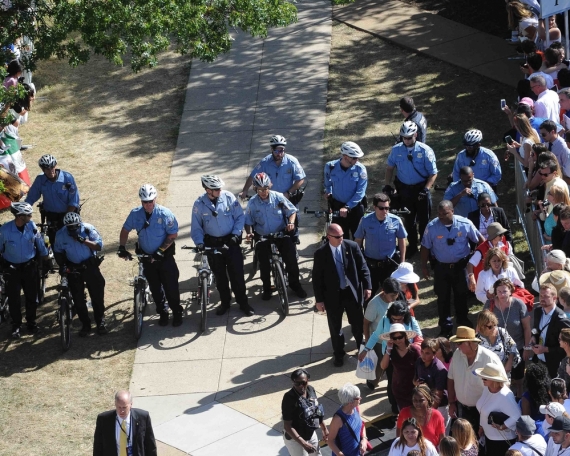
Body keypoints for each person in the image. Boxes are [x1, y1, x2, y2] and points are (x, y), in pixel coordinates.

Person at [118, 184, 184, 327]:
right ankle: (163, 313)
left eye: (150, 201)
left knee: (171, 287)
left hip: (164, 258)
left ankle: (177, 313)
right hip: (147, 259)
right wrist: (122, 248)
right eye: (144, 202)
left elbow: (173, 233)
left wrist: (160, 251)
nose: (148, 205)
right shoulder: (135, 214)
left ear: (155, 199)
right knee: (155, 289)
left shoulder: (165, 214)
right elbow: (125, 230)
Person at [191, 175, 254, 316]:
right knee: (220, 278)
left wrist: (236, 234)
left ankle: (243, 303)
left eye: (220, 188)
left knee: (237, 276)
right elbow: (196, 227)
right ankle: (225, 303)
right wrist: (199, 243)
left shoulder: (229, 197)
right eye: (216, 189)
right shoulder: (199, 204)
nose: (220, 190)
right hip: (213, 245)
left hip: (230, 242)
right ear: (208, 190)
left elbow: (239, 217)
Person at [421, 200, 485, 336]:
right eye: (439, 214)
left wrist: (480, 259)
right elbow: (425, 246)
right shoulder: (432, 227)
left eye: (444, 213)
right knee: (442, 296)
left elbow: (480, 240)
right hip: (441, 268)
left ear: (452, 211)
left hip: (461, 266)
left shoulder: (465, 224)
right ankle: (445, 326)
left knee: (461, 294)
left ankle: (462, 320)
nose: (441, 216)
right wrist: (424, 266)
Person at [313, 223, 371, 367]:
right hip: (333, 296)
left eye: (342, 235)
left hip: (351, 292)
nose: (341, 239)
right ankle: (339, 353)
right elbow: (317, 278)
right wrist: (319, 300)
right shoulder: (321, 254)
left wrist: (367, 286)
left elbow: (363, 267)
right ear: (329, 237)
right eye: (338, 237)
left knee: (357, 323)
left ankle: (361, 348)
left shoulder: (351, 247)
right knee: (335, 327)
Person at [244, 172, 306, 301]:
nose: (263, 192)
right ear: (255, 188)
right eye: (260, 189)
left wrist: (291, 223)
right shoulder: (252, 203)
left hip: (281, 234)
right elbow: (248, 221)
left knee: (291, 261)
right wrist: (249, 233)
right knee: (264, 266)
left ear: (269, 187)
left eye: (266, 188)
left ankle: (295, 286)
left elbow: (292, 211)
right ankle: (267, 288)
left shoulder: (278, 197)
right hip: (263, 237)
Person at [384, 121, 438, 256]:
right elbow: (390, 168)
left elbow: (433, 173)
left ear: (416, 135)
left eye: (409, 137)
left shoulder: (425, 150)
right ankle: (412, 245)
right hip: (404, 190)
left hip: (421, 189)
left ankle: (426, 246)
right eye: (404, 137)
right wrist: (387, 184)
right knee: (409, 220)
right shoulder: (396, 150)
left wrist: (426, 189)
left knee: (424, 220)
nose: (406, 140)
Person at [53, 212, 107, 336]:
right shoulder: (61, 234)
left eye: (75, 226)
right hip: (74, 268)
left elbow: (99, 246)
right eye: (70, 227)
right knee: (78, 299)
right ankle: (85, 324)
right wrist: (63, 266)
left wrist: (83, 240)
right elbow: (58, 252)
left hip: (89, 266)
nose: (73, 229)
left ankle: (100, 322)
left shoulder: (88, 229)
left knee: (97, 295)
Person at [363, 300, 422, 412]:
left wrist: (413, 348)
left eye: (399, 319)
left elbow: (419, 338)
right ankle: (395, 409)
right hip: (390, 356)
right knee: (393, 382)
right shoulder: (385, 320)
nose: (396, 321)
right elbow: (376, 335)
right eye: (394, 318)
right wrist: (366, 349)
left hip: (409, 357)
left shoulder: (412, 321)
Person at [0, 202, 48, 339]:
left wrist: (45, 259)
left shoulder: (32, 227)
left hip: (29, 267)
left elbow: (39, 243)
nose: (31, 216)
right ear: (20, 216)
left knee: (32, 297)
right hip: (12, 269)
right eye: (28, 215)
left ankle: (31, 323)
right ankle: (16, 325)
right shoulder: (5, 230)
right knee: (14, 299)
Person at [447, 326, 508, 433]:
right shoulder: (457, 354)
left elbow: (503, 386)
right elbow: (451, 378)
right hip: (462, 409)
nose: (457, 346)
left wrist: (490, 414)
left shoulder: (489, 358)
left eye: (460, 343)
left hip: (484, 411)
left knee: (483, 443)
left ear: (470, 343)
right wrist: (451, 403)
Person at [482, 278, 531, 397]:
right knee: (499, 377)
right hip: (497, 348)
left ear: (510, 291)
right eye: (499, 292)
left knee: (518, 378)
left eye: (505, 291)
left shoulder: (518, 304)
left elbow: (526, 328)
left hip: (517, 346)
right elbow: (482, 324)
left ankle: (519, 397)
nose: (502, 294)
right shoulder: (490, 304)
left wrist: (526, 348)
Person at [354, 192, 407, 296]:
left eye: (387, 208)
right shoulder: (365, 220)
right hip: (370, 266)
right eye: (381, 208)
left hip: (389, 266)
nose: (385, 211)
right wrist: (357, 260)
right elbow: (358, 240)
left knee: (392, 295)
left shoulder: (396, 220)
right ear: (374, 207)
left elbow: (402, 240)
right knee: (367, 296)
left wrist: (402, 261)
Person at [26, 154, 80, 246]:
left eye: (52, 167)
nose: (50, 170)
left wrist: (66, 218)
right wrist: (24, 210)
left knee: (72, 240)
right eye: (47, 169)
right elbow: (31, 197)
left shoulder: (67, 178)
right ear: (42, 169)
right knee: (53, 241)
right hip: (52, 216)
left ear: (55, 166)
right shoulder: (40, 180)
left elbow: (74, 201)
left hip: (68, 214)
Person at [239, 135, 306, 201]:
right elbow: (252, 176)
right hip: (271, 201)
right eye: (276, 151)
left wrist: (288, 193)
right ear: (271, 149)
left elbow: (300, 179)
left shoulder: (292, 162)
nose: (279, 154)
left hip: (288, 199)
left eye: (281, 151)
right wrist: (245, 190)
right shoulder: (265, 162)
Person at [324, 141, 368, 239]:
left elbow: (360, 192)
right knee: (340, 236)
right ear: (345, 157)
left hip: (355, 207)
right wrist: (328, 191)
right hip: (337, 206)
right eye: (354, 158)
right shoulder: (330, 167)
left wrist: (348, 207)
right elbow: (328, 183)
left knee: (358, 236)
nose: (357, 160)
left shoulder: (360, 169)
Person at [475, 362, 521, 455]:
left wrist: (502, 426)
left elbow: (517, 415)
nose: (482, 379)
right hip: (489, 437)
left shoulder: (505, 396)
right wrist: (481, 426)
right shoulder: (487, 388)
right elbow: (483, 408)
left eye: (485, 378)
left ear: (494, 380)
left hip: (501, 441)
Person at [363, 277, 400, 390]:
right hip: (378, 341)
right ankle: (372, 382)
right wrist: (368, 343)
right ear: (384, 292)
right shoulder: (374, 304)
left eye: (396, 295)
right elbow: (366, 323)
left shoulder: (392, 300)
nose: (394, 299)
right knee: (379, 364)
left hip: (392, 338)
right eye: (392, 296)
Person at [93, 390, 157, 456]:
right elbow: (98, 447)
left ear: (131, 404)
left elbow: (150, 445)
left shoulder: (143, 417)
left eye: (124, 407)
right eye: (119, 407)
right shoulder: (104, 420)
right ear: (115, 404)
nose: (122, 411)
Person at [282, 368, 328, 456]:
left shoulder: (311, 390)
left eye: (303, 383)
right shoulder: (289, 398)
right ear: (293, 382)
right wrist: (303, 443)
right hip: (295, 438)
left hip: (309, 432)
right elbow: (287, 426)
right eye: (297, 383)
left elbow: (316, 411)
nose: (300, 386)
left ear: (308, 380)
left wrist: (324, 428)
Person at [531, 283, 570, 378]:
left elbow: (567, 347)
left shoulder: (562, 319)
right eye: (540, 295)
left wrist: (545, 349)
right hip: (539, 360)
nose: (541, 298)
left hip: (555, 365)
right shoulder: (538, 311)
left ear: (554, 298)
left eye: (546, 296)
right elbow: (536, 328)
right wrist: (533, 336)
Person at [475, 310, 521, 381]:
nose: (493, 328)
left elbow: (513, 345)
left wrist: (510, 361)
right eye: (490, 327)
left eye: (495, 325)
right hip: (487, 378)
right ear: (482, 327)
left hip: (504, 374)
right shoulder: (476, 340)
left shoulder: (501, 332)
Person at [327, 383, 369, 456]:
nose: (360, 398)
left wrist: (364, 439)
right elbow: (330, 441)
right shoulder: (338, 419)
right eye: (358, 398)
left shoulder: (355, 409)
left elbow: (362, 425)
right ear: (350, 402)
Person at [413, 339, 448, 412]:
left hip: (439, 406)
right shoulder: (419, 361)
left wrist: (430, 411)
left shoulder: (439, 369)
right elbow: (414, 380)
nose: (423, 355)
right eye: (422, 351)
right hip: (424, 402)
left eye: (427, 353)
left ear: (434, 354)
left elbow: (439, 395)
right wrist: (417, 383)